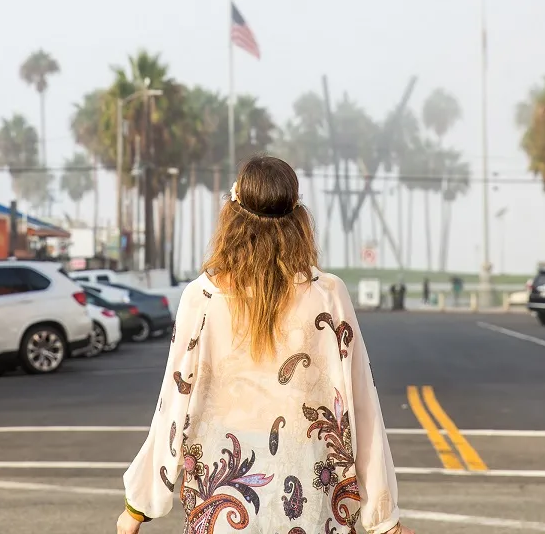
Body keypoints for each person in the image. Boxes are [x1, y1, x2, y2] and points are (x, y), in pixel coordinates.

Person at [118, 155, 411, 534]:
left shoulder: (202, 297)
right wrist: (383, 517)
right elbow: (361, 408)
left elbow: (174, 405)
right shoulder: (328, 295)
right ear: (299, 218)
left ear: (232, 216)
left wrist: (139, 506)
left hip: (221, 490)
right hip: (312, 488)